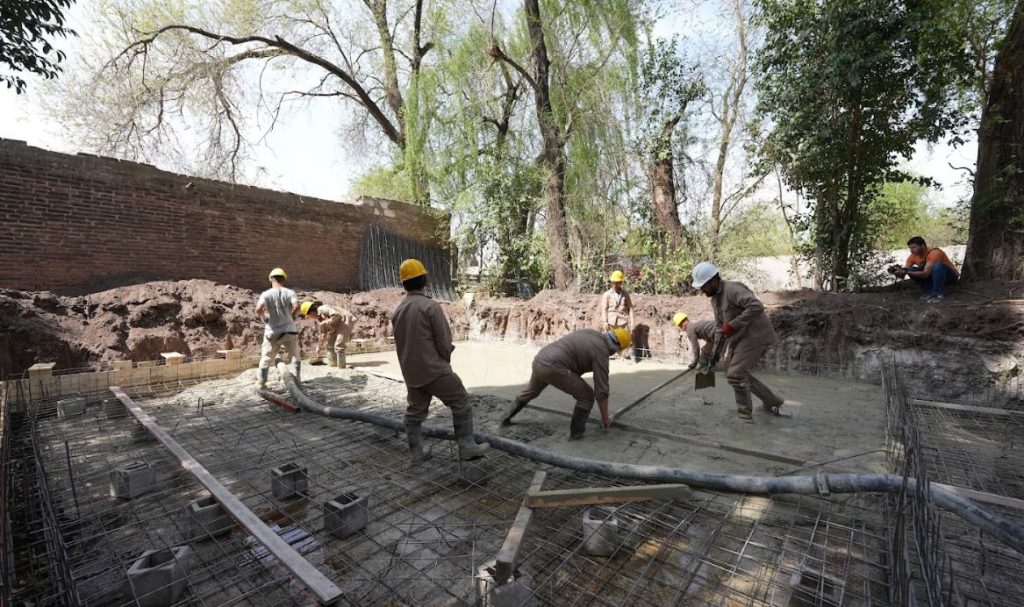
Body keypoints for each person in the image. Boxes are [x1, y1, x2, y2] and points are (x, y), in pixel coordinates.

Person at [392, 259, 489, 463]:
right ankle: (467, 447)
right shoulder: (430, 306)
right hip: (434, 370)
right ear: (425, 280)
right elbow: (444, 342)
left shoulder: (398, 310)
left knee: (415, 411)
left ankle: (417, 452)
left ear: (404, 284)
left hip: (412, 372)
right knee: (460, 401)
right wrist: (445, 360)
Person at [691, 262, 783, 422]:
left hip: (756, 336)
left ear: (713, 281)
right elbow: (720, 327)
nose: (702, 290)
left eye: (703, 286)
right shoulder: (715, 300)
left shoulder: (732, 289)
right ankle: (772, 400)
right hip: (740, 338)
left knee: (736, 374)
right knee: (731, 372)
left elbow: (756, 306)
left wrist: (733, 325)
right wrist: (716, 353)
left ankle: (744, 415)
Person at [500, 328, 632, 439]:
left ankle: (504, 418)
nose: (613, 353)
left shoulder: (590, 333)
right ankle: (576, 435)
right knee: (586, 396)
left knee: (531, 391)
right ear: (615, 346)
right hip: (554, 367)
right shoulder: (601, 351)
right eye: (615, 351)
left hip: (540, 359)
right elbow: (601, 390)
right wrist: (605, 419)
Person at [256, 267, 301, 390]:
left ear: (271, 279)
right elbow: (297, 306)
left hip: (273, 332)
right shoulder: (290, 292)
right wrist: (292, 317)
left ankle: (261, 383)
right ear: (283, 280)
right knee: (294, 356)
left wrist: (265, 318)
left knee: (266, 358)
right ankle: (297, 382)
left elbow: (258, 309)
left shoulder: (266, 294)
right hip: (289, 330)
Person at [890, 236, 960, 302]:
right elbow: (904, 272)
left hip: (949, 277)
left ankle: (937, 294)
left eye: (914, 247)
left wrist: (906, 271)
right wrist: (899, 272)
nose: (911, 250)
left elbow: (925, 274)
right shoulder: (913, 256)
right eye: (910, 248)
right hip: (934, 276)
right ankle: (928, 290)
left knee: (938, 266)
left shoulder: (934, 253)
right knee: (910, 269)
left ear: (922, 246)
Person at [300, 301, 357, 368]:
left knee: (339, 345)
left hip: (345, 321)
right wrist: (319, 346)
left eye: (308, 316)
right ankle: (333, 365)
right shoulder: (319, 319)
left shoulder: (323, 308)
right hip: (336, 326)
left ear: (311, 311)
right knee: (329, 346)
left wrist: (325, 322)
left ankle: (341, 367)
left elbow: (336, 315)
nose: (310, 318)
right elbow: (323, 333)